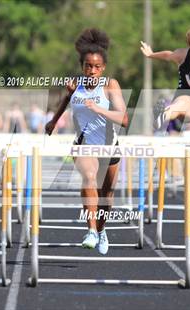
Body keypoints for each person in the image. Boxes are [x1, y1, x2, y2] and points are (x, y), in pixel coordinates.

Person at [45, 28, 128, 255]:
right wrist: (53, 121)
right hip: (84, 144)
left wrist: (99, 109)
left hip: (109, 145)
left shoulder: (111, 86)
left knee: (107, 194)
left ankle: (101, 230)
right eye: (88, 66)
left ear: (103, 68)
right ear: (82, 66)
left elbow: (124, 119)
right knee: (89, 177)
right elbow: (66, 101)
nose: (92, 71)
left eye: (97, 67)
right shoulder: (75, 84)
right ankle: (91, 230)